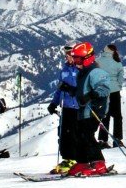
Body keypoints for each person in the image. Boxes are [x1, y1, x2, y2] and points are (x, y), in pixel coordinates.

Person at [63, 42, 111, 177]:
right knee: (78, 135)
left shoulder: (96, 72)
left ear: (87, 58)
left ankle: (99, 163)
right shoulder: (83, 72)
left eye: (78, 58)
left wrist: (90, 96)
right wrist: (69, 89)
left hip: (94, 110)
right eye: (75, 58)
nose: (76, 61)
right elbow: (81, 91)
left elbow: (104, 89)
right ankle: (82, 162)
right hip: (84, 110)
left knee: (86, 135)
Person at [47, 44, 80, 174]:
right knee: (63, 133)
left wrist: (72, 90)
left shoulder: (80, 69)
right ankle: (67, 158)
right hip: (66, 106)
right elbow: (60, 89)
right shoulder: (64, 70)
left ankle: (76, 158)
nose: (67, 57)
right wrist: (54, 103)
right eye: (66, 54)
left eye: (70, 54)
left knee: (74, 134)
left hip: (78, 106)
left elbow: (83, 88)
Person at [96, 44, 124, 148]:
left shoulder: (98, 61)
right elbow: (121, 76)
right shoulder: (117, 61)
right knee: (117, 116)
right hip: (114, 91)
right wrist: (118, 86)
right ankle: (117, 139)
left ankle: (103, 140)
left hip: (102, 91)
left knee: (104, 116)